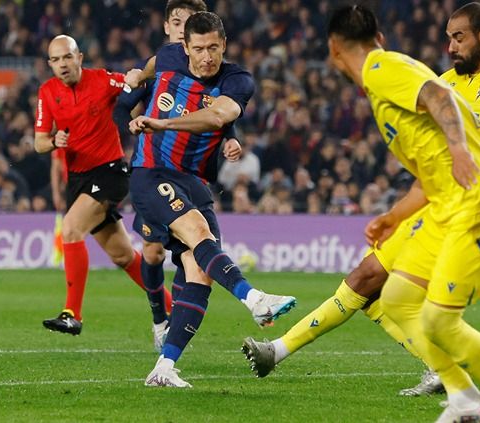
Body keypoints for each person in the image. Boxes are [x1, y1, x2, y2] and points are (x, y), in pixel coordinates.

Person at [241, 1, 480, 401]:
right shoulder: (446, 80)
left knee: (396, 297)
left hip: (471, 209)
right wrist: (398, 212)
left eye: (459, 37)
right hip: (435, 203)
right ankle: (283, 353)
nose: (450, 46)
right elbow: (431, 160)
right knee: (372, 286)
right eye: (448, 37)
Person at [126, 12, 296, 387]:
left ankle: (164, 368)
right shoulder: (169, 57)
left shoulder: (238, 80)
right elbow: (154, 64)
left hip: (195, 182)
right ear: (184, 48)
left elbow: (218, 115)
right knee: (196, 231)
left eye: (214, 48)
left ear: (225, 45)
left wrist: (164, 123)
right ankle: (254, 299)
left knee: (200, 271)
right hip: (151, 172)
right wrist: (138, 75)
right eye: (199, 49)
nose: (207, 57)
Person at [34, 35, 163, 335]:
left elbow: (134, 85)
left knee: (70, 229)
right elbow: (40, 142)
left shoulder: (102, 81)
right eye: (55, 60)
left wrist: (138, 85)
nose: (62, 64)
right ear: (50, 64)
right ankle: (170, 304)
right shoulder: (47, 92)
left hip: (109, 172)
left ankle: (72, 313)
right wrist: (54, 141)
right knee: (122, 255)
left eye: (67, 57)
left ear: (79, 57)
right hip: (78, 179)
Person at [113, 0, 213, 351]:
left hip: (190, 172)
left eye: (190, 23)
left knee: (192, 251)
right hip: (154, 172)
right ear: (168, 29)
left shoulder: (206, 71)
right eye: (177, 21)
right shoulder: (157, 69)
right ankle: (159, 318)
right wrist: (134, 122)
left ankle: (177, 334)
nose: (182, 28)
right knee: (153, 254)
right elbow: (122, 107)